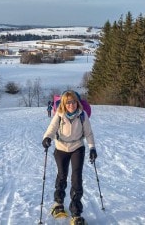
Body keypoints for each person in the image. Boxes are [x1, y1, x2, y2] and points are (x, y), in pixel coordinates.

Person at [42, 90, 97, 225]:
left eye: (73, 102)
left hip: (77, 147)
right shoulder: (59, 115)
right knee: (62, 175)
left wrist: (92, 148)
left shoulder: (82, 115)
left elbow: (89, 133)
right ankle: (58, 203)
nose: (71, 105)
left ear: (77, 102)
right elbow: (51, 129)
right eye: (68, 102)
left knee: (76, 178)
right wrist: (47, 138)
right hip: (61, 148)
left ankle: (76, 213)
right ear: (63, 104)